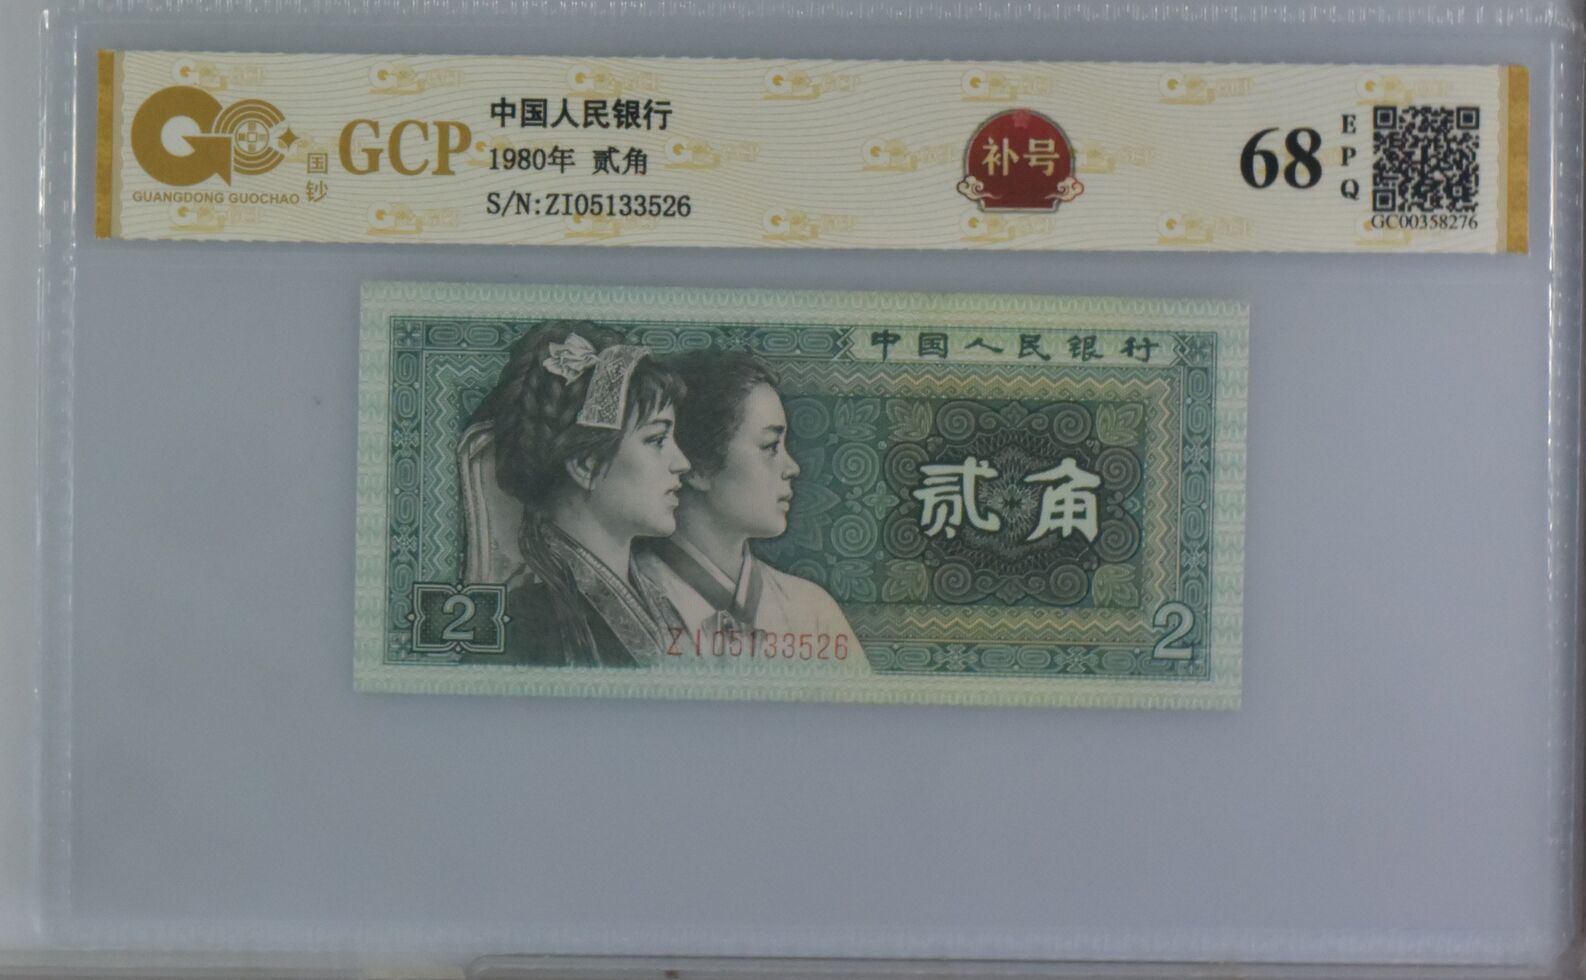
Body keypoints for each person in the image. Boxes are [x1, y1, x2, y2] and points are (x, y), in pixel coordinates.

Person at [469, 320, 691, 667]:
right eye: (656, 440)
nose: (682, 463)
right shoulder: (522, 623)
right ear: (587, 464)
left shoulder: (660, 599)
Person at [638, 351, 867, 667]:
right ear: (697, 467)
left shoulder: (812, 611)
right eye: (770, 446)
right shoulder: (630, 601)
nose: (793, 467)